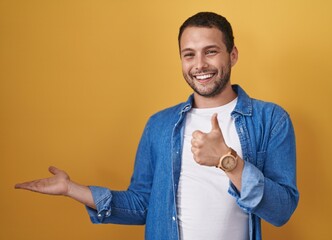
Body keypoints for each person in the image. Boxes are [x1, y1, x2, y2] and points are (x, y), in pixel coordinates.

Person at [15, 12, 299, 240]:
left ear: (232, 55)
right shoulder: (160, 125)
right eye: (189, 54)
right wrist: (71, 189)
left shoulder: (271, 120)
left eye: (210, 51)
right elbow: (142, 205)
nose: (200, 64)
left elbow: (281, 210)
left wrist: (228, 162)